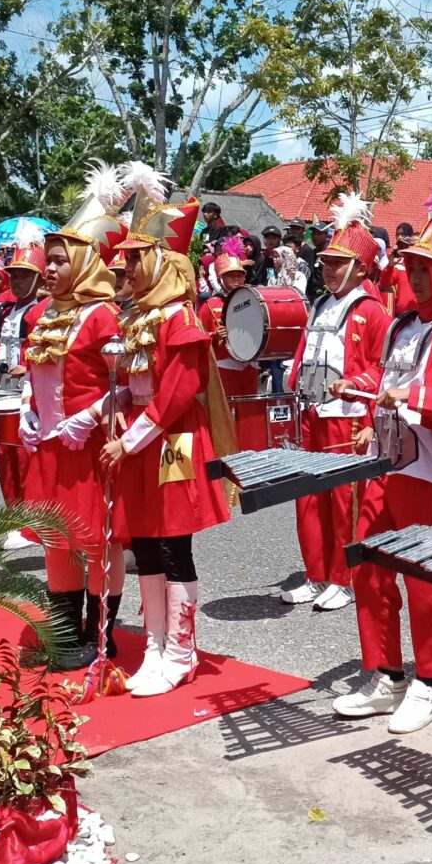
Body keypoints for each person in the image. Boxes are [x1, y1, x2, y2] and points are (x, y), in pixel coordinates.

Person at [332, 172, 432, 734]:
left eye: (429, 269)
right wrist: (359, 385)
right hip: (383, 458)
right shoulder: (402, 324)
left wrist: (413, 396)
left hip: (427, 470)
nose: (417, 277)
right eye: (414, 267)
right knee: (370, 570)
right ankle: (385, 673)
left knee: (424, 578)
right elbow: (382, 375)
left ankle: (431, 681)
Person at [105, 166, 230, 696]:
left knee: (175, 545)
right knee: (149, 548)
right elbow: (136, 384)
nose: (126, 271)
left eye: (134, 261)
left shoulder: (180, 319)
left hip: (170, 442)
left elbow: (177, 394)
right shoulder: (138, 319)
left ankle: (180, 650)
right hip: (141, 439)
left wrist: (128, 439)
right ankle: (155, 645)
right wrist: (111, 404)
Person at [21, 165, 128, 672]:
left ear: (84, 264)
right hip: (48, 444)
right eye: (49, 261)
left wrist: (88, 416)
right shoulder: (40, 314)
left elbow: (128, 383)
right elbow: (34, 371)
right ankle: (64, 631)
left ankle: (100, 634)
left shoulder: (104, 315)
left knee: (96, 538)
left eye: (60, 262)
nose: (50, 269)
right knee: (56, 539)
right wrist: (26, 405)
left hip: (88, 445)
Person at [287, 193, 391, 611]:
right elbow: (302, 353)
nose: (328, 270)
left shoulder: (373, 310)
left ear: (361, 268)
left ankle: (344, 579)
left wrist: (365, 408)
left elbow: (383, 370)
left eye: (337, 263)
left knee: (343, 501)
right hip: (313, 413)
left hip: (347, 419)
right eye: (326, 262)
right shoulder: (318, 304)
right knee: (307, 498)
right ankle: (315, 574)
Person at [0, 224, 48, 525]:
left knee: (26, 453)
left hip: (30, 391)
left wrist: (28, 366)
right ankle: (13, 514)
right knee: (4, 454)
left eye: (25, 275)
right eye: (15, 275)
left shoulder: (47, 310)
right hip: (2, 387)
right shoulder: (2, 311)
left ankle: (33, 517)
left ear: (39, 278)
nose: (18, 281)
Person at [198, 238, 266, 449]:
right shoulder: (210, 304)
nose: (236, 279)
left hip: (249, 367)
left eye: (240, 274)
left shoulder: (255, 298)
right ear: (221, 278)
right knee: (225, 415)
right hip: (224, 369)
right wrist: (214, 336)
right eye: (231, 275)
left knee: (249, 415)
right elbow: (199, 339)